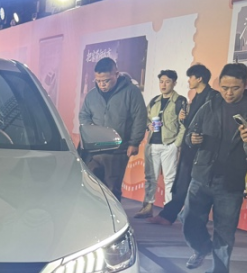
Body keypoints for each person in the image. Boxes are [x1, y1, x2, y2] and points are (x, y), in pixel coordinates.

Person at [182, 63, 247, 273]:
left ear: (245, 85)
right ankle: (201, 247)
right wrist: (193, 139)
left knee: (225, 231)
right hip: (202, 175)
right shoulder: (210, 104)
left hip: (232, 180)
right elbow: (190, 133)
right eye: (224, 87)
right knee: (189, 219)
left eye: (235, 88)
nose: (228, 93)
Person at [150, 63, 217, 226]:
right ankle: (168, 215)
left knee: (194, 186)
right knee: (181, 184)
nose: (188, 81)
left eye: (190, 78)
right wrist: (183, 119)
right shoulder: (195, 97)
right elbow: (192, 124)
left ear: (199, 79)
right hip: (189, 147)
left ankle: (176, 217)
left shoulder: (212, 97)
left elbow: (211, 124)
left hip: (202, 149)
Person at [79, 57, 148, 201]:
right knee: (91, 187)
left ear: (116, 74)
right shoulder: (92, 95)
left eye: (106, 80)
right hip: (94, 150)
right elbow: (84, 115)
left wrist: (134, 142)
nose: (102, 84)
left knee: (112, 189)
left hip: (117, 150)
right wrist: (91, 130)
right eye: (98, 81)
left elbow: (139, 117)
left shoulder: (131, 92)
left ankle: (112, 215)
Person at [137, 70, 187, 219]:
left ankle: (168, 210)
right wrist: (148, 126)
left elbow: (184, 124)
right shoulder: (154, 101)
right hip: (152, 143)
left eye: (167, 81)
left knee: (170, 179)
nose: (163, 85)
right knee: (150, 177)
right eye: (161, 81)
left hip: (169, 144)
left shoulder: (180, 101)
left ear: (174, 83)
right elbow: (145, 118)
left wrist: (176, 144)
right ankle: (148, 206)